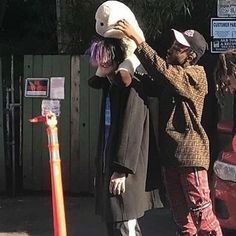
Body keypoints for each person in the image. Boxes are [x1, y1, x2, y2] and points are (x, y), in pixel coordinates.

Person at [115, 20, 223, 236]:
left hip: (190, 157)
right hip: (170, 157)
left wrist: (138, 40)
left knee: (203, 215)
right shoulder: (171, 78)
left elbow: (162, 71)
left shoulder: (195, 75)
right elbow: (144, 82)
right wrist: (119, 68)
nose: (171, 47)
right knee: (182, 219)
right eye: (174, 44)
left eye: (179, 47)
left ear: (190, 56)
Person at [87, 37, 164, 236]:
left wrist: (121, 170)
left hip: (125, 171)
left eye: (106, 58)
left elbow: (132, 129)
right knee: (117, 223)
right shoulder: (111, 85)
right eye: (99, 58)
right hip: (112, 165)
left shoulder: (132, 88)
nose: (102, 62)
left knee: (124, 223)